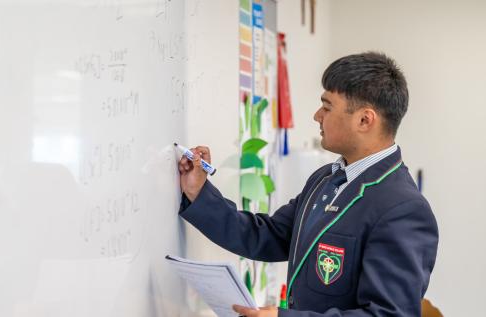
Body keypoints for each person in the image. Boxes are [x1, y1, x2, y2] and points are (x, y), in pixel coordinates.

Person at [177, 52, 439, 316]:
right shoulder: (327, 178)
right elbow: (267, 236)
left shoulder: (403, 209)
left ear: (364, 120)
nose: (317, 115)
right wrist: (198, 192)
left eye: (327, 107)